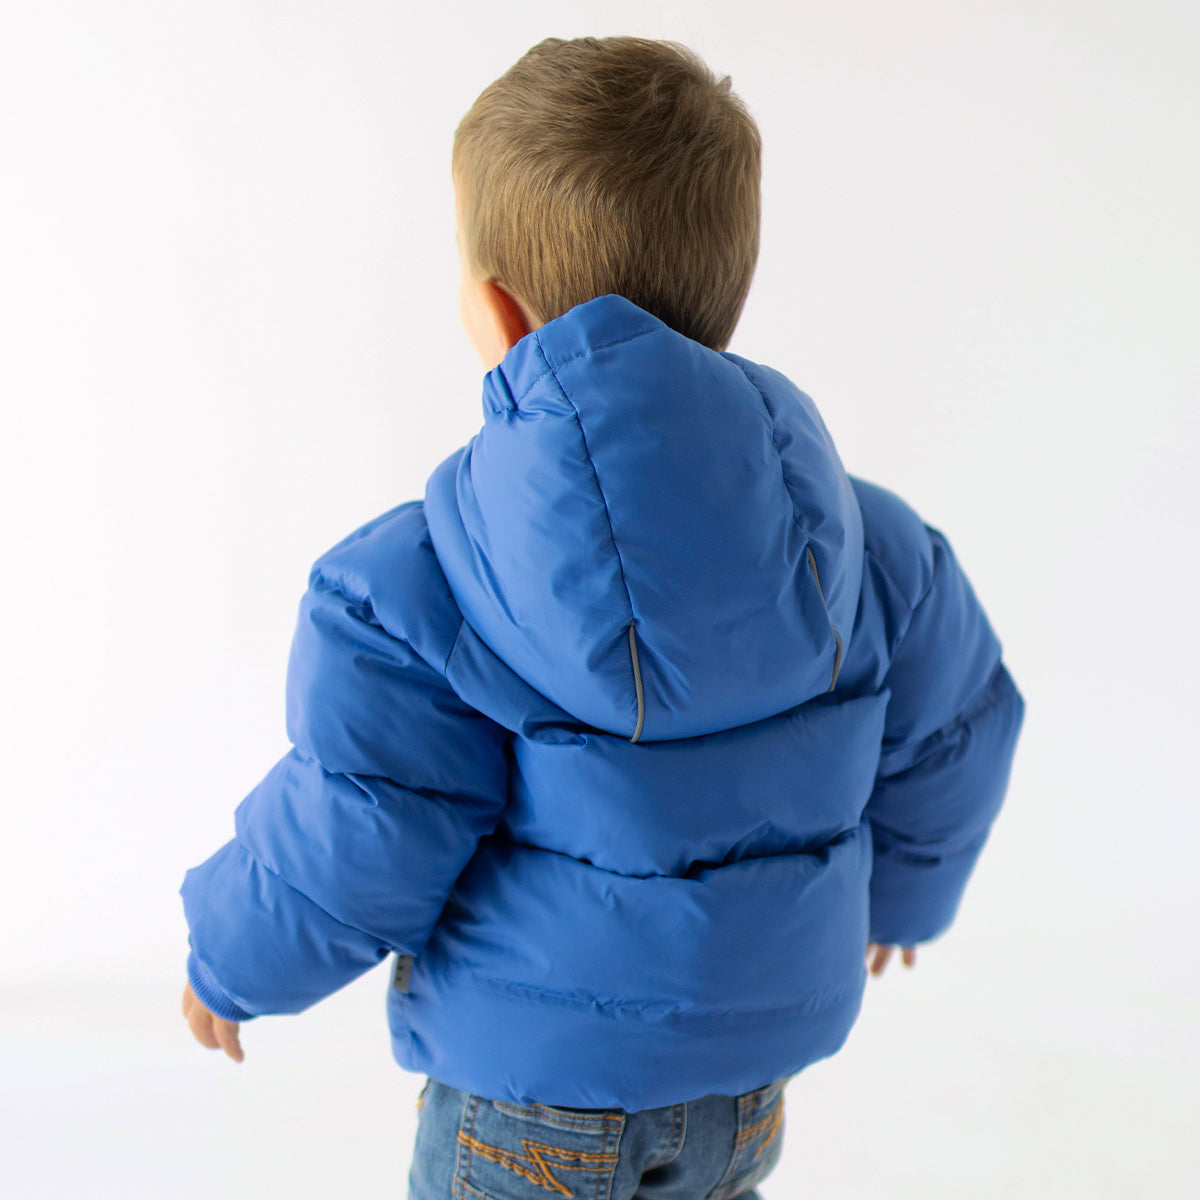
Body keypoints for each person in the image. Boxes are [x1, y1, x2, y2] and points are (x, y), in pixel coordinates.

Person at [180, 36, 1025, 1199]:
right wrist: (909, 899)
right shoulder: (877, 549)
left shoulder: (414, 582)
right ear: (730, 286)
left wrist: (233, 961)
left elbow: (365, 822)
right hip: (747, 1087)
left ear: (496, 314)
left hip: (527, 1103)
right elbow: (959, 728)